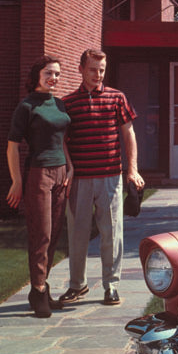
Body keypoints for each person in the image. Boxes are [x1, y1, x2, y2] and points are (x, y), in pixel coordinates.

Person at [59, 49, 145, 307]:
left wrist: (132, 169)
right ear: (81, 69)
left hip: (110, 176)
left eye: (102, 70)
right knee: (78, 233)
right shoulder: (67, 103)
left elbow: (129, 134)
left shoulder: (117, 98)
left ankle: (111, 286)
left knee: (112, 233)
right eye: (93, 69)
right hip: (80, 180)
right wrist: (70, 168)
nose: (98, 74)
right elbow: (62, 141)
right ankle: (77, 285)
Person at [6, 56, 72, 318]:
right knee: (41, 233)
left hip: (61, 173)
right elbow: (12, 146)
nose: (53, 78)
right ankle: (38, 287)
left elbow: (62, 140)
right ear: (37, 76)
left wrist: (70, 167)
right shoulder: (26, 106)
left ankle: (41, 291)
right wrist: (17, 181)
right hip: (38, 173)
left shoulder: (59, 104)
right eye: (48, 73)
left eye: (57, 74)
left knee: (55, 232)